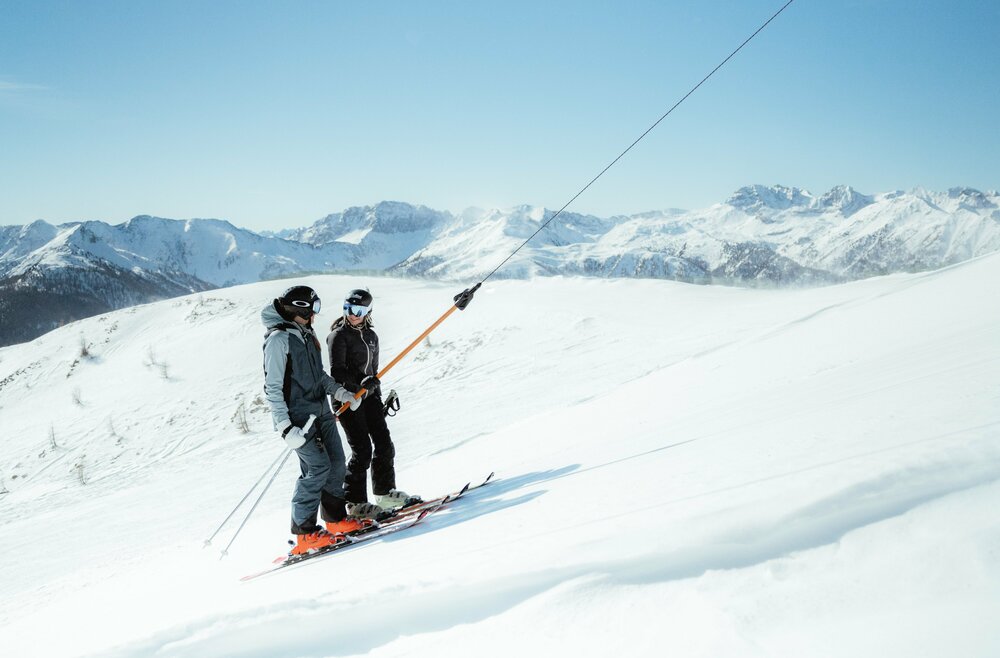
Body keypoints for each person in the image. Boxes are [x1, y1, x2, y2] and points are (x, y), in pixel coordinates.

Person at [262, 284, 368, 556]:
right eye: (314, 308)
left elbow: (319, 375)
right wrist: (286, 428)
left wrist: (341, 392)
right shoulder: (278, 340)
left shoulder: (307, 335)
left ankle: (334, 521)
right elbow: (272, 388)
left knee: (335, 464)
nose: (316, 314)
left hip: (321, 411)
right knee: (316, 469)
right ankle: (304, 534)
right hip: (298, 420)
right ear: (300, 309)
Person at [327, 288, 420, 519]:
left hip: (369, 398)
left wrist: (375, 394)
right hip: (348, 399)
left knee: (384, 443)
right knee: (362, 450)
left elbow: (374, 373)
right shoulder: (338, 336)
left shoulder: (371, 337)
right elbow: (337, 371)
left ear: (368, 311)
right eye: (348, 308)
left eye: (358, 310)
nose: (352, 314)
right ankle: (355, 503)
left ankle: (385, 492)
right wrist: (360, 384)